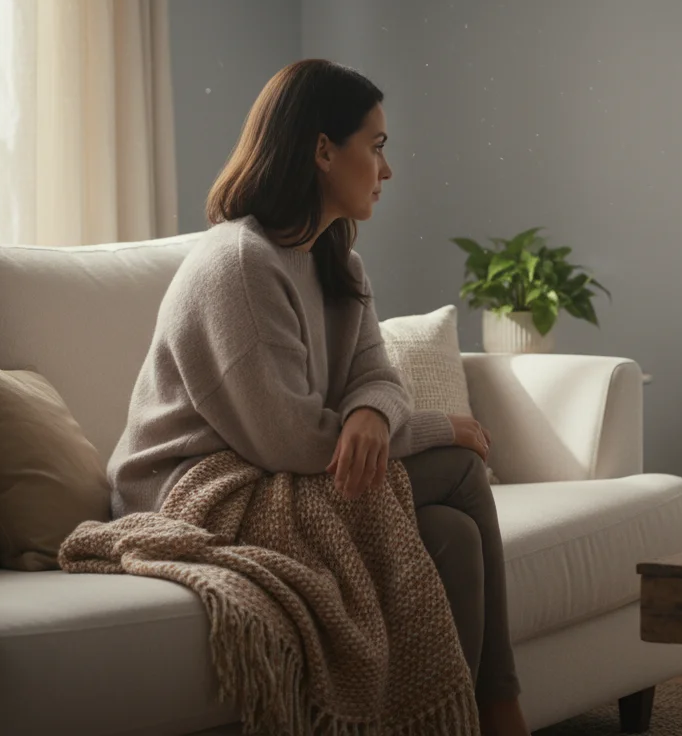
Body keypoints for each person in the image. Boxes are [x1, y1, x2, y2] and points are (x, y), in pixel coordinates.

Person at [107, 59, 528, 736]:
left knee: (450, 535)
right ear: (324, 150)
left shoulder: (336, 259)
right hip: (199, 491)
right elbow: (294, 439)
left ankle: (461, 719)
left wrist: (371, 412)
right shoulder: (239, 263)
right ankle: (500, 711)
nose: (387, 171)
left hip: (276, 476)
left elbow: (378, 374)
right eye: (377, 146)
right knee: (458, 465)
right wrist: (431, 428)